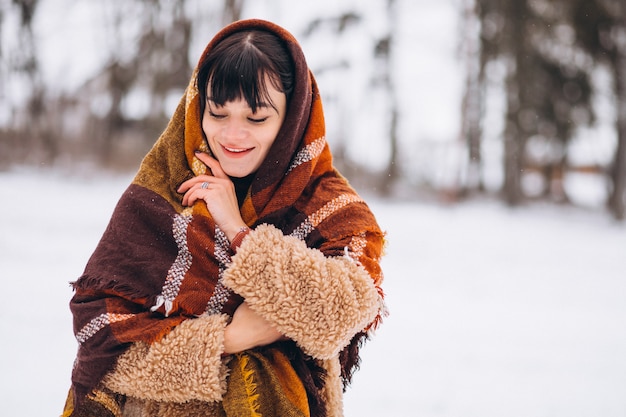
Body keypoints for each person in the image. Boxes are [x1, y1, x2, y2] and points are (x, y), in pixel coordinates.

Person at [62, 18, 386, 417]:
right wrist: (226, 339)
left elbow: (336, 316)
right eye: (217, 114)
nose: (233, 136)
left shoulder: (331, 209)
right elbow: (106, 358)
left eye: (256, 118)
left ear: (293, 119)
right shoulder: (162, 194)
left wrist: (239, 232)